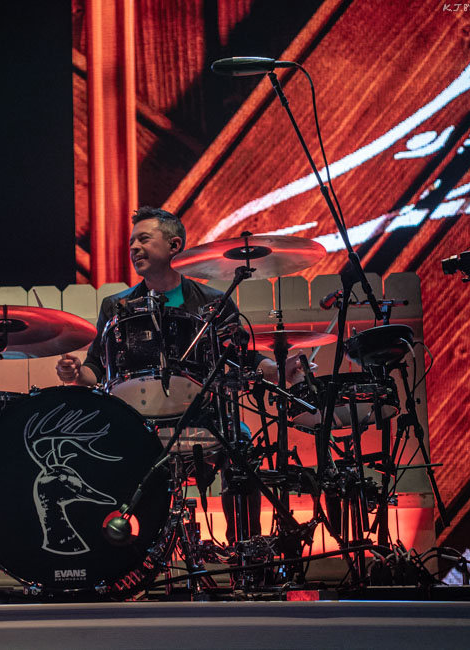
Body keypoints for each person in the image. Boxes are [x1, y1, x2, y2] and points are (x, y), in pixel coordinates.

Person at [55, 206, 303, 543]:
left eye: (144, 239)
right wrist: (75, 373)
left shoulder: (213, 302)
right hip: (139, 423)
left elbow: (242, 357)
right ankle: (131, 554)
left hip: (203, 418)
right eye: (131, 242)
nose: (134, 248)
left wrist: (278, 370)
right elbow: (97, 369)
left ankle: (245, 549)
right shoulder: (117, 306)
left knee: (241, 444)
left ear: (174, 245)